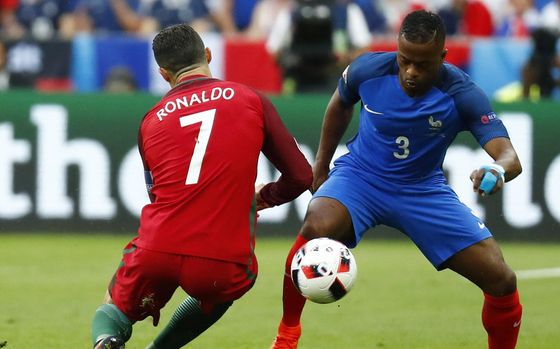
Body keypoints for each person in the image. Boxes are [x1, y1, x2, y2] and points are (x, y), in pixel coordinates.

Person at [270, 10, 523, 349]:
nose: (411, 73)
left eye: (423, 64)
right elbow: (339, 105)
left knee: (501, 279)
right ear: (397, 50)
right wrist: (321, 166)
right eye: (405, 61)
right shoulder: (367, 69)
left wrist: (496, 170)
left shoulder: (463, 93)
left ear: (443, 57)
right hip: (361, 177)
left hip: (422, 190)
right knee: (315, 226)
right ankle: (287, 334)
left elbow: (510, 157)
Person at [90, 24, 313, 349]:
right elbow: (301, 176)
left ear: (164, 73)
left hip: (158, 247)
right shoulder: (250, 99)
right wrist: (263, 198)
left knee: (114, 304)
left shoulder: (151, 120)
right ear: (207, 55)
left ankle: (106, 338)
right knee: (221, 290)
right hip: (220, 261)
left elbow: (157, 194)